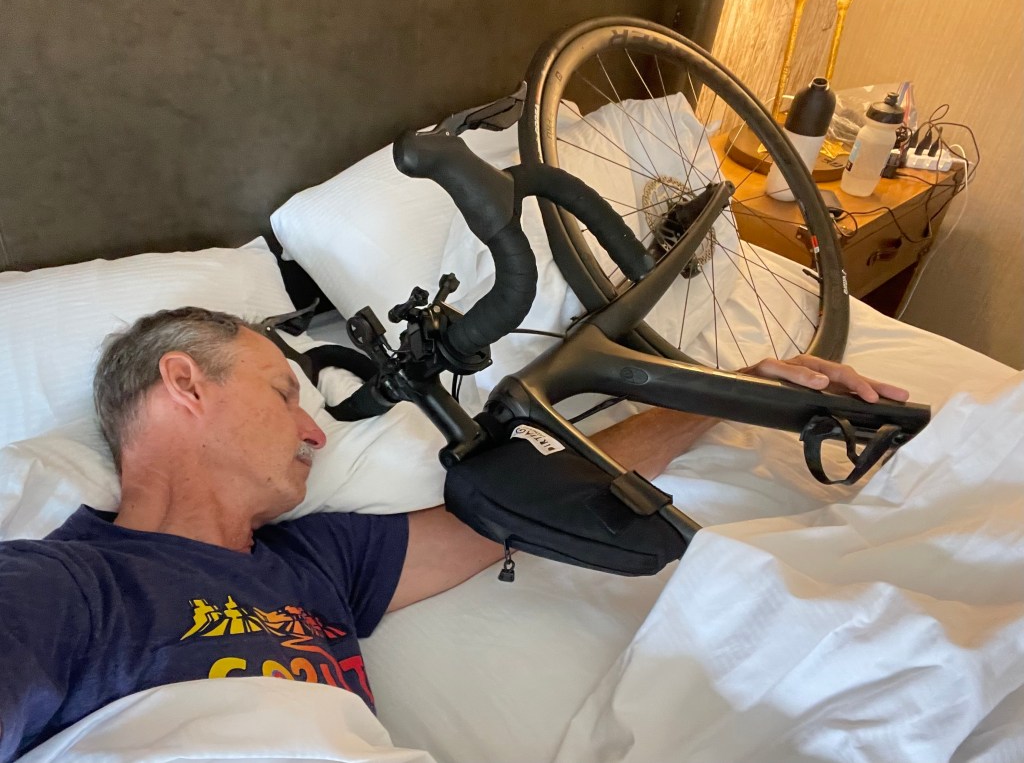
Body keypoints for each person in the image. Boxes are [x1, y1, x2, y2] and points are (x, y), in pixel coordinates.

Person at [0, 307, 909, 760]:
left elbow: (545, 502)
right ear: (184, 383)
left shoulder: (318, 563)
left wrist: (736, 392)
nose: (316, 431)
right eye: (283, 392)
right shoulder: (61, 584)